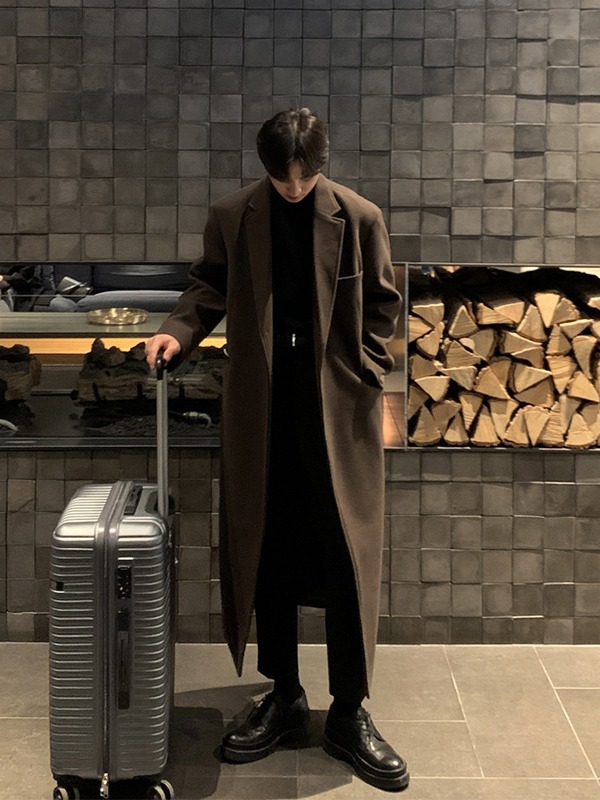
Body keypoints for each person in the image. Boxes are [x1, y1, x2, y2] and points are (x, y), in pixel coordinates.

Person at [145, 108, 408, 792]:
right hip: (261, 413)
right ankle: (285, 696)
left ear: (321, 163)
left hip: (338, 416)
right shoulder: (235, 215)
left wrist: (363, 367)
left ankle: (348, 711)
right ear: (265, 167)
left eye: (304, 177)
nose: (294, 188)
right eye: (282, 177)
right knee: (267, 550)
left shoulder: (359, 217)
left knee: (346, 556)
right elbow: (208, 284)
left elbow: (384, 305)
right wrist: (178, 330)